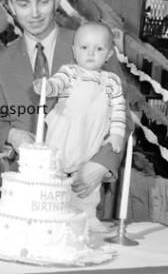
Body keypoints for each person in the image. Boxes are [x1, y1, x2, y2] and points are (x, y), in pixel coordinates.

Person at [0, 0, 130, 209]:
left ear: (56, 0)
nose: (34, 13)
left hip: (82, 185)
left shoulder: (92, 45)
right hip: (22, 190)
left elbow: (122, 115)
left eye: (43, 1)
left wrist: (101, 165)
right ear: (10, 6)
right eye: (23, 4)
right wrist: (11, 134)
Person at [33, 21, 126, 231]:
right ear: (74, 51)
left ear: (109, 54)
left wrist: (117, 134)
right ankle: (49, 217)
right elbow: (57, 84)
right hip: (62, 141)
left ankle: (87, 217)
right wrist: (46, 87)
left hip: (90, 144)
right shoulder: (70, 72)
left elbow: (119, 109)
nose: (91, 53)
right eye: (84, 47)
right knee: (53, 182)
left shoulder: (112, 82)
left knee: (87, 189)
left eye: (99, 49)